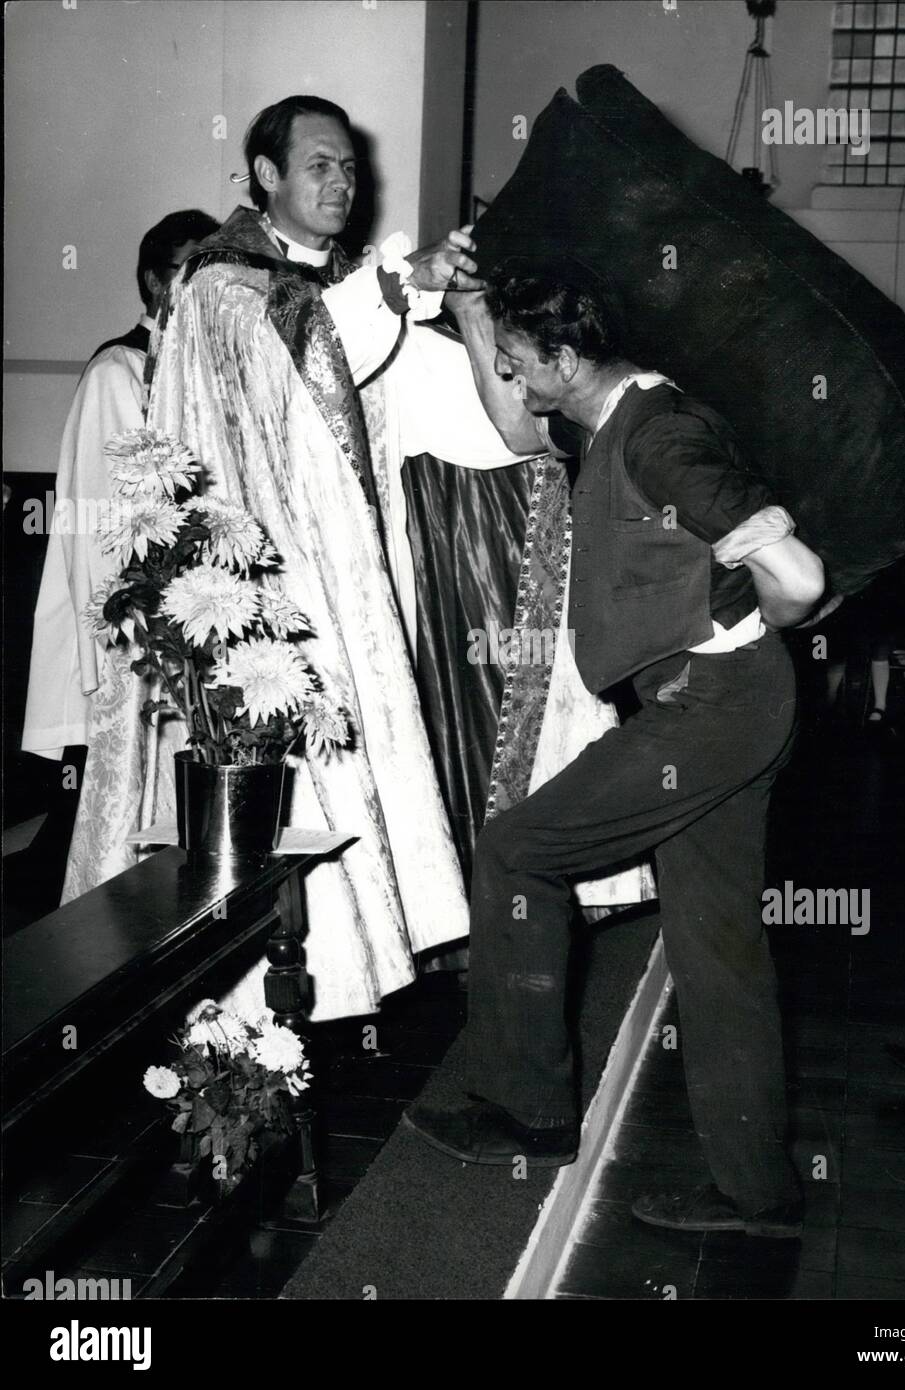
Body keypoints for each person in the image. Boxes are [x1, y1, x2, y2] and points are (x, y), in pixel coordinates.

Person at [67, 96, 645, 1022]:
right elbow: (298, 346)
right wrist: (393, 287)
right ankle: (228, 1010)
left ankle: (322, 983)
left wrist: (512, 351)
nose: (343, 184)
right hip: (247, 599)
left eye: (349, 169)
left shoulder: (332, 286)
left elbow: (446, 405)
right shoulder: (222, 285)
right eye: (321, 166)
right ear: (266, 175)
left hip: (344, 588)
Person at [406, 268, 826, 1238]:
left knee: (517, 851)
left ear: (566, 356)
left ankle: (527, 1110)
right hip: (732, 702)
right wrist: (472, 312)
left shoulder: (663, 435)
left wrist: (729, 631)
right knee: (717, 946)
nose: (508, 371)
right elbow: (516, 429)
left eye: (520, 357)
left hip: (713, 705)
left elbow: (799, 574)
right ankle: (754, 1188)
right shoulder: (611, 414)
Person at [19, 211, 219, 900]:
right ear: (155, 282)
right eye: (193, 272)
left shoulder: (205, 373)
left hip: (195, 624)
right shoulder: (119, 373)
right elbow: (93, 523)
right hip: (138, 636)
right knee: (118, 809)